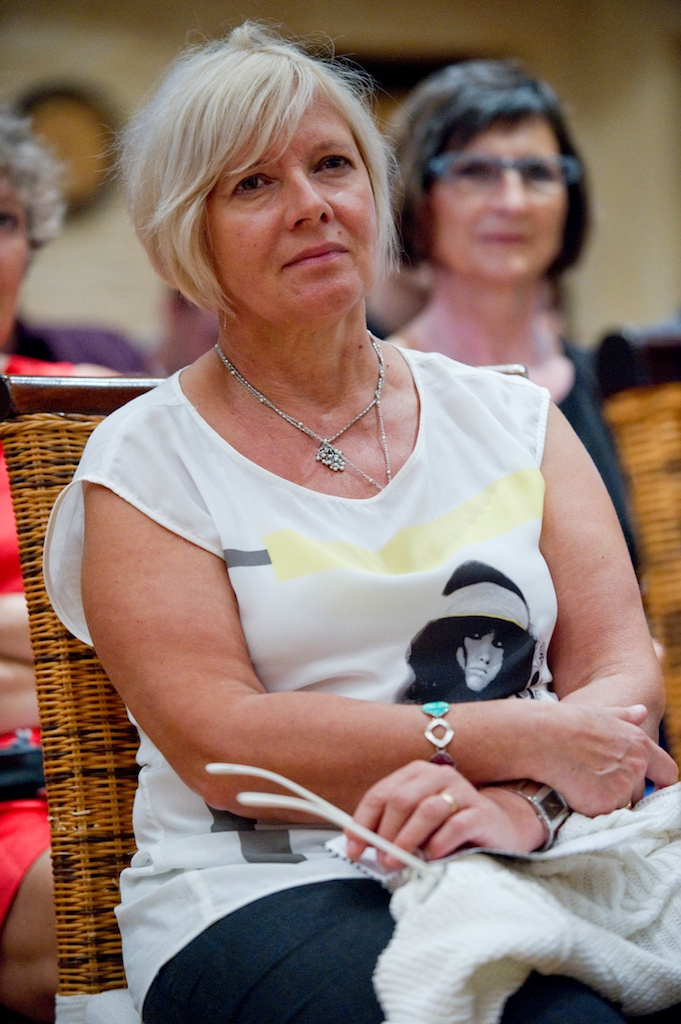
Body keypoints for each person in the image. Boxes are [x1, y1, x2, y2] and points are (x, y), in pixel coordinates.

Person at [42, 23, 679, 1024]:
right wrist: (499, 738)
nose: (311, 204)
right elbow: (222, 741)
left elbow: (620, 667)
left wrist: (518, 802)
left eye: (333, 165)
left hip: (537, 836)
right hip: (268, 881)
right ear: (186, 231)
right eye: (253, 184)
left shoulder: (513, 415)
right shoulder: (144, 461)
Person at [383, 59, 639, 568]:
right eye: (475, 172)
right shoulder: (376, 394)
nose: (513, 202)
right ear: (418, 197)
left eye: (537, 173)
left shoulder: (616, 393)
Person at [0, 107, 120, 1023]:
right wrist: (79, 637)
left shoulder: (90, 405)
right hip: (16, 802)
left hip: (126, 759)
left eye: (3, 219)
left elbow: (177, 616)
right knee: (112, 918)